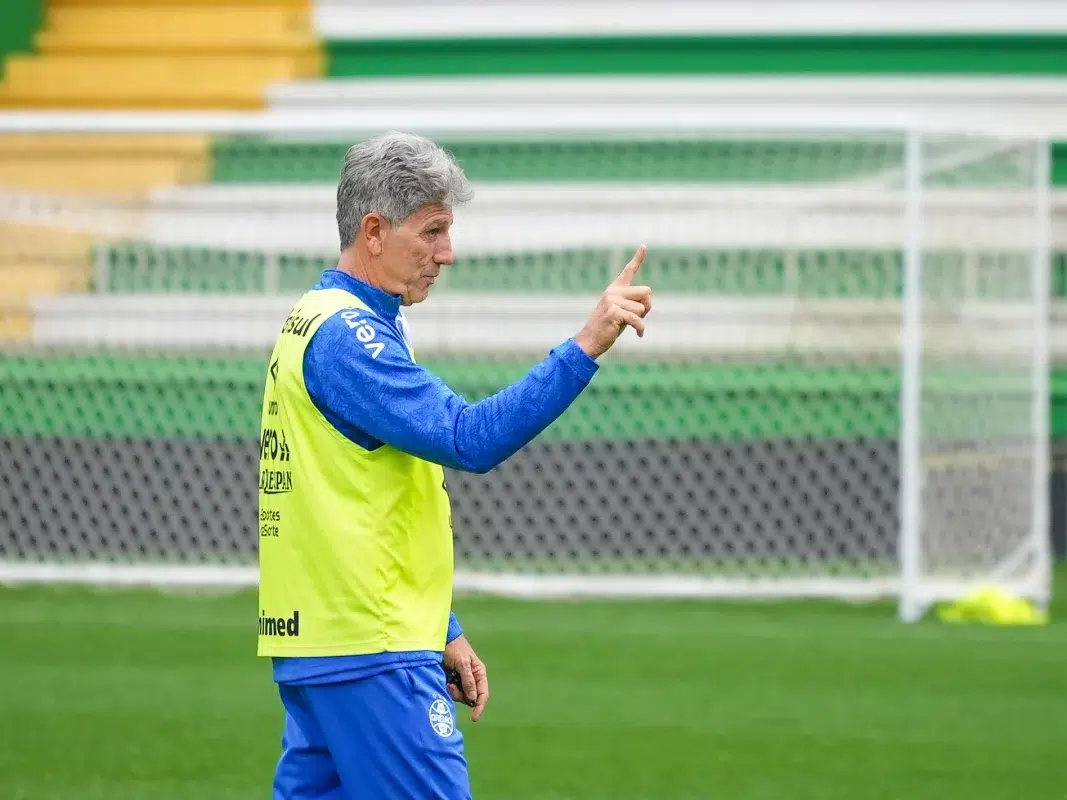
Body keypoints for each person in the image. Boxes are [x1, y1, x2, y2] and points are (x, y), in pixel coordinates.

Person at [257, 130, 652, 799]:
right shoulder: (349, 337)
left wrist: (440, 628)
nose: (447, 253)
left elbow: (356, 503)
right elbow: (470, 438)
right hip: (370, 653)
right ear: (374, 231)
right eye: (432, 232)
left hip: (326, 645)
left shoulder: (316, 319)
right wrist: (587, 344)